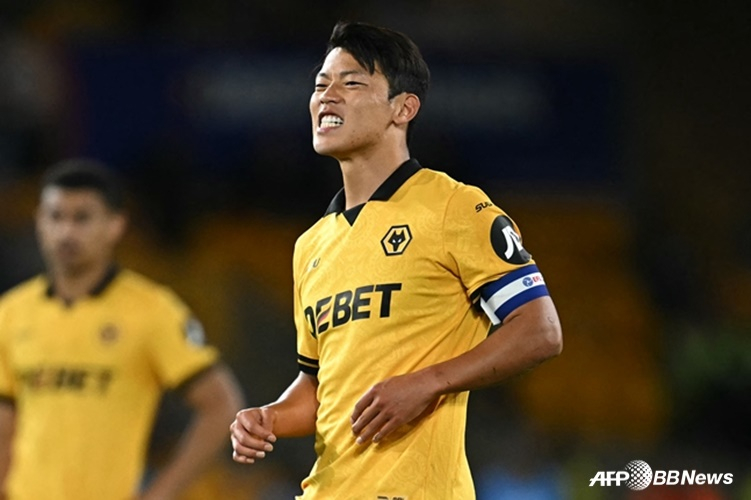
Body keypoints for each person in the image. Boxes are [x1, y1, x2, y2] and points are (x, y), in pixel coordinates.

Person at [230, 21, 563, 499]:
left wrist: (428, 383)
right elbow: (320, 387)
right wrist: (270, 417)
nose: (327, 96)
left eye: (351, 83)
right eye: (321, 85)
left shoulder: (454, 207)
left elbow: (540, 330)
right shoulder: (311, 245)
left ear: (403, 108)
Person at [0, 159, 245, 500]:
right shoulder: (12, 313)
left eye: (82, 218)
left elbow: (221, 404)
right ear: (39, 222)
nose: (66, 232)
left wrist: (160, 493)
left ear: (115, 225)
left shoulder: (152, 311)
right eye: (55, 217)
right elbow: (6, 418)